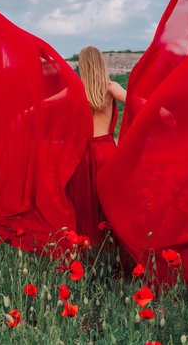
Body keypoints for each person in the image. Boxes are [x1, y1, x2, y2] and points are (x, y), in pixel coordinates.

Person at [66, 46, 127, 246]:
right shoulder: (110, 87)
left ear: (82, 66)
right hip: (107, 152)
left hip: (82, 155)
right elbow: (135, 101)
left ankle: (86, 254)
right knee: (111, 205)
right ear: (101, 63)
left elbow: (45, 107)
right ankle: (112, 255)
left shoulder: (75, 90)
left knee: (84, 207)